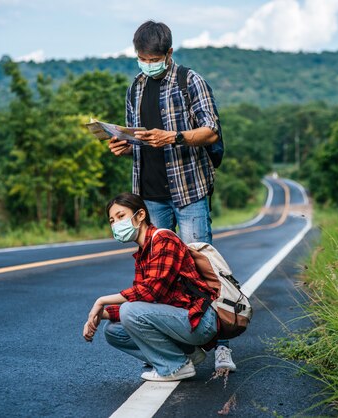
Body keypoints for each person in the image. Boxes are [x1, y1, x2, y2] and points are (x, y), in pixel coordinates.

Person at [107, 20, 235, 372]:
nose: (147, 63)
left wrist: (174, 137)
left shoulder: (189, 81)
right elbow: (138, 135)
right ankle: (181, 349)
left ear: (169, 53)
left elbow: (210, 130)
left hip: (188, 189)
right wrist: (123, 143)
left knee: (201, 267)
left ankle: (221, 345)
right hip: (149, 196)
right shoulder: (135, 86)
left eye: (153, 58)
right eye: (141, 57)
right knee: (160, 273)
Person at [82, 192, 218, 381]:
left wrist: (101, 301)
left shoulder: (164, 240)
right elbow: (142, 300)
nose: (116, 224)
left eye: (121, 216)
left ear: (140, 215)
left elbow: (151, 290)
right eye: (112, 220)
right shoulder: (144, 252)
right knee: (112, 331)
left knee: (129, 310)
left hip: (200, 321)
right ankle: (187, 354)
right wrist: (100, 315)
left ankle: (174, 367)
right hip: (178, 319)